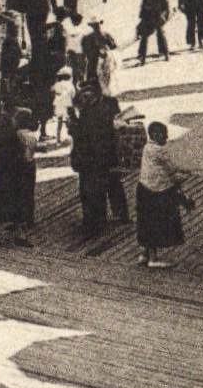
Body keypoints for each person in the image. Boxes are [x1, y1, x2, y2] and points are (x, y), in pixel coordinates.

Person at [68, 84, 124, 238]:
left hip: (90, 159)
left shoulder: (91, 113)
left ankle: (93, 223)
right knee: (99, 189)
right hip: (100, 158)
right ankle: (101, 220)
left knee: (91, 191)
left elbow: (84, 136)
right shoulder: (103, 108)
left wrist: (73, 126)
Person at [136, 121, 193, 268]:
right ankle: (153, 260)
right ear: (155, 135)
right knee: (158, 223)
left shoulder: (147, 147)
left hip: (144, 189)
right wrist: (187, 174)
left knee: (145, 222)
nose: (166, 138)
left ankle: (144, 253)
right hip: (158, 192)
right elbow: (173, 171)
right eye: (164, 134)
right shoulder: (160, 151)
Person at [0, 108, 38, 246]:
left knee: (3, 202)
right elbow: (28, 157)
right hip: (21, 171)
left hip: (7, 171)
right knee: (21, 201)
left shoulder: (11, 132)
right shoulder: (26, 136)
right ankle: (19, 234)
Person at [21, 0, 55, 74]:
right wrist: (23, 9)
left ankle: (42, 60)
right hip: (30, 13)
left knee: (41, 34)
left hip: (42, 12)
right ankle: (36, 60)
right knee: (33, 35)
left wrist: (55, 10)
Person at [136, 0, 171, 65]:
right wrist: (142, 15)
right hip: (147, 16)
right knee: (144, 36)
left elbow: (166, 6)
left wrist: (165, 17)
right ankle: (142, 57)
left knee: (160, 35)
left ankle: (166, 53)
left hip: (157, 16)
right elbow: (143, 3)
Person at [80, 18, 118, 96]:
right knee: (105, 81)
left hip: (94, 63)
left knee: (94, 82)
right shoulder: (105, 34)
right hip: (102, 61)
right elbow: (114, 47)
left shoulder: (87, 37)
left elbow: (84, 52)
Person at [59, 7, 88, 80]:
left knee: (75, 70)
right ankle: (78, 83)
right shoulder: (69, 25)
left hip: (74, 52)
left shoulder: (67, 25)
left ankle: (78, 83)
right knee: (77, 70)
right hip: (75, 52)